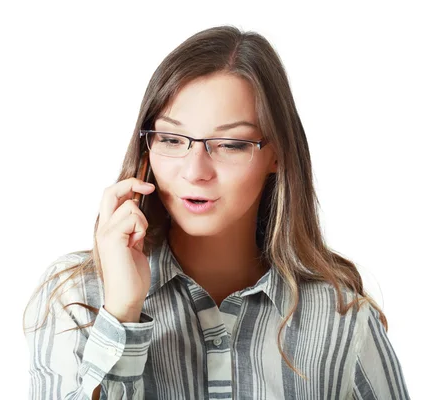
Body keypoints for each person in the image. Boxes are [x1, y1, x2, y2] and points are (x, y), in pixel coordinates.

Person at [22, 25, 410, 399]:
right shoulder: (75, 295)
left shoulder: (341, 318)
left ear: (276, 154)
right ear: (146, 152)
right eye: (172, 139)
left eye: (230, 144)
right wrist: (122, 313)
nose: (195, 171)